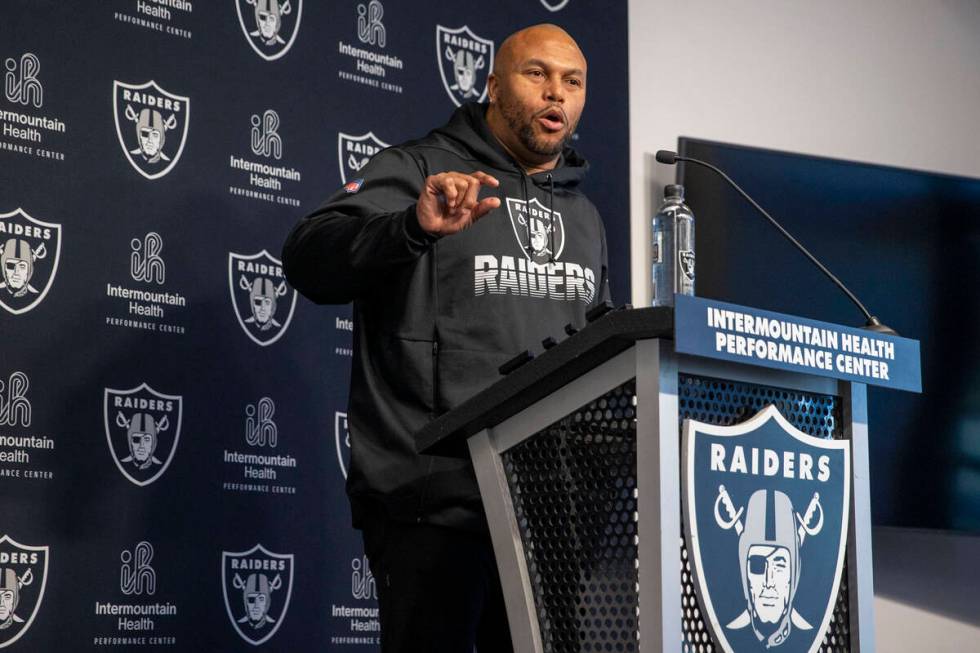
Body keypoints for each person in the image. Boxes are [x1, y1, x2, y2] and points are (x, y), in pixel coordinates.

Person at [283, 23, 610, 653]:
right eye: (536, 73)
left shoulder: (584, 214)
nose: (557, 94)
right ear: (493, 83)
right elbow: (308, 256)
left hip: (547, 514)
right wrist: (412, 226)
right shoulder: (420, 169)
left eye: (573, 81)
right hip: (433, 500)